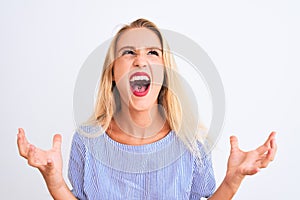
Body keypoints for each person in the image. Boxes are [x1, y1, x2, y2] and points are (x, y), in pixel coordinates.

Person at [17, 18, 277, 200]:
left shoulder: (191, 144)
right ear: (112, 73)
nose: (140, 59)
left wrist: (232, 181)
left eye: (153, 52)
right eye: (128, 52)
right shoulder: (88, 140)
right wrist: (55, 182)